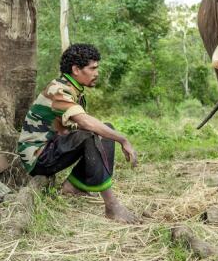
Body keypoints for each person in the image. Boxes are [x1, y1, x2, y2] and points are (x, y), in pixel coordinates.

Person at [17, 43, 139, 223]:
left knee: (105, 128)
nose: (96, 73)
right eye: (92, 68)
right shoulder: (59, 90)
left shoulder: (75, 90)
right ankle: (112, 205)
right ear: (76, 69)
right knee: (94, 133)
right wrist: (123, 139)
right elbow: (85, 123)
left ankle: (74, 185)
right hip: (38, 157)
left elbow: (81, 125)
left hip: (52, 148)